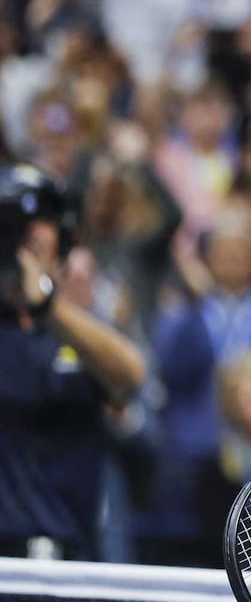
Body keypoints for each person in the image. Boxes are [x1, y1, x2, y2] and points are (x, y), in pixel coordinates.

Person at [0, 164, 146, 560]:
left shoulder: (79, 334)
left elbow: (130, 376)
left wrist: (47, 306)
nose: (21, 236)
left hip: (64, 562)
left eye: (36, 222)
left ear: (63, 239)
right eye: (9, 225)